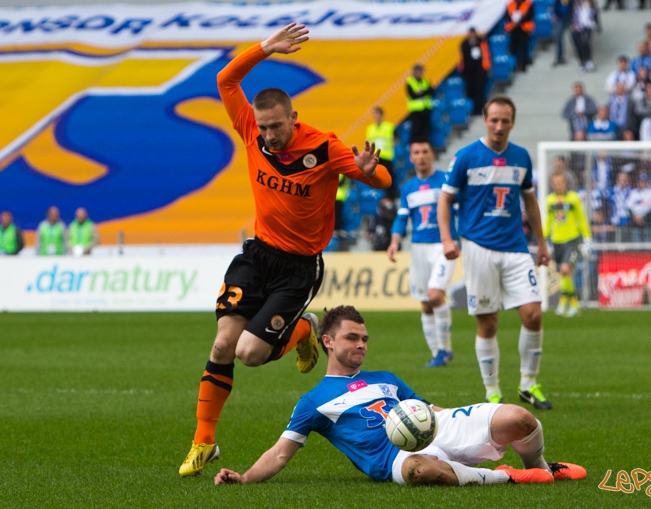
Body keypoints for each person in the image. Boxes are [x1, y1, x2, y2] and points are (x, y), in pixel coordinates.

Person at [179, 23, 392, 477]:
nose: (269, 135)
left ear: (293, 119)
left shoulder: (323, 146)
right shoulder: (251, 130)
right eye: (263, 127)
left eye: (276, 126)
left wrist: (370, 173)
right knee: (223, 343)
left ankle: (304, 330)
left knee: (251, 353)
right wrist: (264, 49)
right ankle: (204, 441)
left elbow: (384, 181)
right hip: (257, 255)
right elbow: (226, 81)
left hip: (298, 268)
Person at [213, 305, 586, 487]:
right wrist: (244, 478)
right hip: (395, 458)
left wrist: (462, 417)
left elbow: (429, 409)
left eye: (364, 339)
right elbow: (280, 453)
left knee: (519, 418)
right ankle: (507, 477)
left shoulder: (386, 379)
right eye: (352, 338)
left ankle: (540, 465)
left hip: (436, 427)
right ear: (327, 341)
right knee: (421, 471)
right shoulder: (314, 401)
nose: (361, 345)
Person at [437, 95, 553, 409]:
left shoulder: (521, 157)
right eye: (494, 120)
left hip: (515, 247)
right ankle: (492, 391)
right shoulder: (466, 156)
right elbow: (445, 200)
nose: (499, 126)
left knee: (533, 314)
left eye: (505, 120)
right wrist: (447, 239)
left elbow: (529, 201)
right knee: (488, 323)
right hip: (478, 248)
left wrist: (541, 243)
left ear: (512, 122)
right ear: (485, 120)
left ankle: (529, 383)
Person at [388, 139, 457, 368]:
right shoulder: (408, 187)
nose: (421, 156)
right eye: (416, 152)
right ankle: (437, 351)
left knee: (435, 294)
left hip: (443, 245)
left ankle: (445, 348)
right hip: (418, 249)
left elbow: (459, 211)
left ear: (432, 154)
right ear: (411, 157)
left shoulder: (446, 181)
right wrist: (395, 241)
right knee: (426, 304)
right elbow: (401, 218)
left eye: (425, 151)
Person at [544, 173, 591, 318]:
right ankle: (570, 303)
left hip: (571, 239)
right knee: (565, 274)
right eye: (555, 182)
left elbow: (581, 218)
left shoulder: (573, 198)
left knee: (565, 270)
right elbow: (549, 221)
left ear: (565, 183)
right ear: (552, 184)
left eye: (560, 182)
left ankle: (566, 303)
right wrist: (544, 239)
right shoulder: (550, 200)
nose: (558, 185)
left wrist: (587, 237)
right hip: (557, 241)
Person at [365, 106, 397, 200]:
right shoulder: (370, 129)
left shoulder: (389, 127)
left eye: (377, 114)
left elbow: (395, 140)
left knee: (389, 179)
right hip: (375, 158)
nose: (376, 116)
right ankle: (378, 199)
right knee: (376, 179)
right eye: (374, 114)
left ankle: (390, 198)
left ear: (382, 115)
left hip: (387, 156)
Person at [459, 27, 491, 115]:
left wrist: (485, 69)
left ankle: (480, 109)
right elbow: (462, 58)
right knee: (470, 91)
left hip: (480, 71)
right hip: (468, 72)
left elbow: (486, 56)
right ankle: (471, 110)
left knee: (479, 90)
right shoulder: (465, 44)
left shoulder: (482, 43)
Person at [504, 0, 534, 72]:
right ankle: (513, 66)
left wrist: (520, 21)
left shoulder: (528, 3)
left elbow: (530, 15)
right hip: (513, 29)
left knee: (524, 47)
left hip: (523, 29)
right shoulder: (511, 3)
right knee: (513, 48)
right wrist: (513, 21)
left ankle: (524, 65)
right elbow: (507, 14)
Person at [553, 0, 581, 67]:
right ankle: (559, 57)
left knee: (574, 36)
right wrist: (555, 13)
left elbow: (577, 0)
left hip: (571, 15)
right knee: (558, 35)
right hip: (561, 15)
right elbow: (556, 0)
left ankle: (579, 54)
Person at [406, 63, 435, 142]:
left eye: (421, 71)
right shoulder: (410, 81)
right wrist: (424, 92)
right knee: (416, 132)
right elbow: (412, 95)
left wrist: (421, 93)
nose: (419, 73)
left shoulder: (426, 80)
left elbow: (431, 91)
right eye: (418, 71)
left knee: (425, 132)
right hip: (416, 111)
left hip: (426, 110)